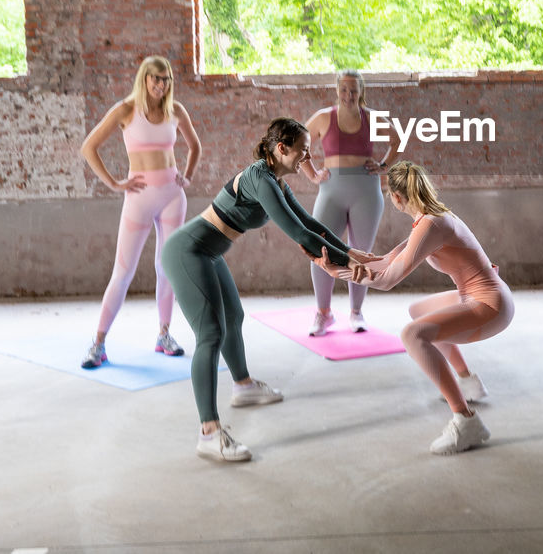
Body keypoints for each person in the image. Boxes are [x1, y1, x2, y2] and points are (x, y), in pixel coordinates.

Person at [161, 117, 374, 461]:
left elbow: (310, 224)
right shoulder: (260, 178)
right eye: (303, 151)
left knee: (234, 315)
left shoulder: (275, 181)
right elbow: (299, 234)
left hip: (210, 252)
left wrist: (349, 251)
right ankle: (208, 432)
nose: (307, 158)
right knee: (210, 333)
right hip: (188, 250)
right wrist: (353, 264)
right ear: (281, 149)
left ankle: (243, 386)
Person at [316, 161, 514, 456]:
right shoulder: (430, 218)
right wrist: (343, 257)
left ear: (395, 197)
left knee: (412, 335)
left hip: (490, 304)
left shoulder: (431, 225)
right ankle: (467, 383)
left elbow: (387, 280)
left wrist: (337, 273)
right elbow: (386, 260)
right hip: (480, 296)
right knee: (419, 312)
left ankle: (466, 420)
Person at [79, 55, 202, 369]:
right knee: (123, 272)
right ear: (144, 79)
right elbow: (88, 147)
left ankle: (164, 335)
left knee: (168, 268)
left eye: (166, 80)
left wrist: (187, 176)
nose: (161, 85)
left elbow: (195, 146)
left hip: (173, 197)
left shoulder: (176, 110)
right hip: (139, 197)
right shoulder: (126, 109)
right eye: (155, 79)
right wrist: (113, 183)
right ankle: (98, 343)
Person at [300, 70, 397, 336]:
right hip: (331, 190)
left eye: (353, 90)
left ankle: (356, 312)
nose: (348, 95)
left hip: (366, 191)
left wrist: (383, 166)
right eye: (344, 90)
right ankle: (324, 314)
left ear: (361, 91)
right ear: (337, 90)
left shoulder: (372, 118)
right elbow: (299, 143)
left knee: (360, 253)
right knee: (319, 250)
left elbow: (397, 139)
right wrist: (312, 174)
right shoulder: (323, 117)